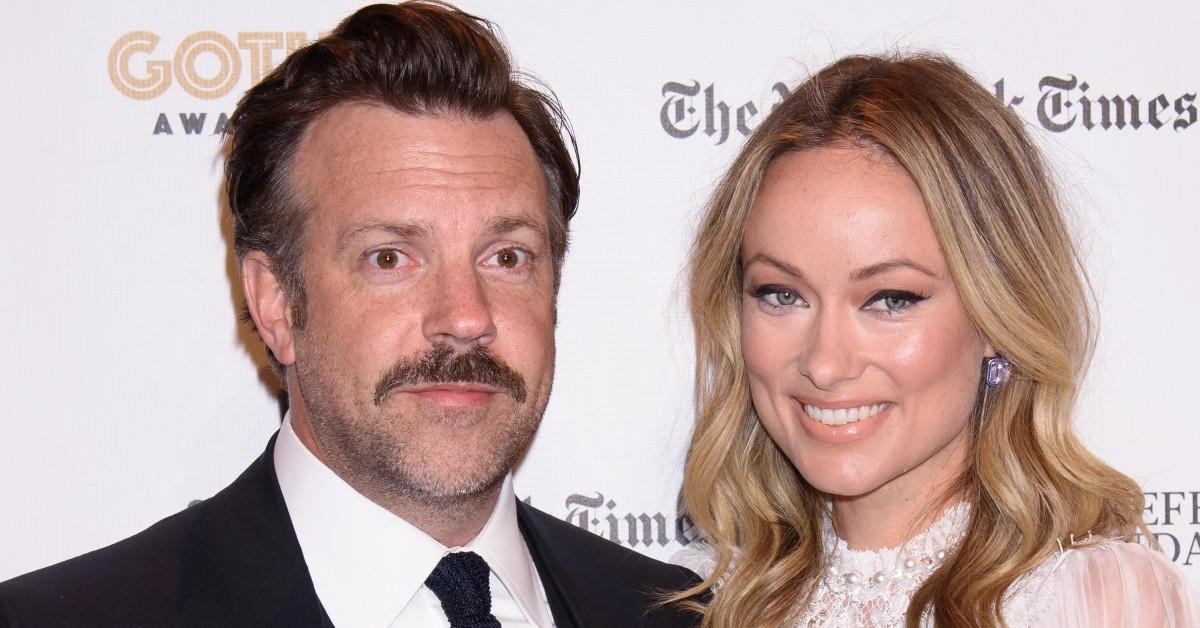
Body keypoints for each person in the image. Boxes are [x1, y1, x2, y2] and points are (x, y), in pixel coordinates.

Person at [0, 3, 702, 626]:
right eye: (390, 258)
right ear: (274, 302)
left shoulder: (676, 614)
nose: (464, 317)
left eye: (507, 257)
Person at [669, 53, 1200, 626]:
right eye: (781, 294)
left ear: (998, 313)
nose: (825, 363)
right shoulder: (699, 600)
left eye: (891, 299)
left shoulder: (1095, 601)